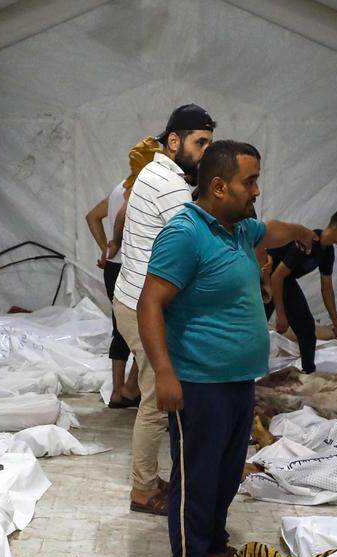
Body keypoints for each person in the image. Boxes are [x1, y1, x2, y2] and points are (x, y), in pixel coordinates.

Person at [137, 140, 319, 557]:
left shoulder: (239, 228)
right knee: (195, 478)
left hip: (238, 380)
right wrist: (164, 374)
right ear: (218, 186)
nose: (257, 190)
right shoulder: (185, 233)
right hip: (197, 380)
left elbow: (270, 229)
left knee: (224, 475)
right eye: (250, 181)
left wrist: (299, 230)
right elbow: (150, 303)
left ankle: (214, 546)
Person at [113, 104, 215, 517]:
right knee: (156, 404)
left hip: (131, 297)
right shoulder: (171, 185)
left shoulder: (154, 173)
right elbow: (196, 244)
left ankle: (150, 477)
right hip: (143, 306)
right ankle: (142, 490)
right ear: (174, 142)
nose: (207, 152)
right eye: (200, 143)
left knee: (156, 398)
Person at [83, 137, 161, 408]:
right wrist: (113, 243)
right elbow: (122, 217)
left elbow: (92, 216)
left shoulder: (120, 188)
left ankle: (119, 389)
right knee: (146, 329)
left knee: (121, 328)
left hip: (114, 268)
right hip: (135, 267)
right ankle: (130, 387)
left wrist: (106, 248)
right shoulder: (144, 187)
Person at [264, 208, 337, 373]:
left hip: (286, 281)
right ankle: (242, 374)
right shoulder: (306, 242)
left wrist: (336, 324)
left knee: (306, 327)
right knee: (255, 326)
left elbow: (327, 288)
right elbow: (276, 277)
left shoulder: (327, 251)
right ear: (336, 229)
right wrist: (281, 314)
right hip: (266, 278)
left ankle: (308, 371)